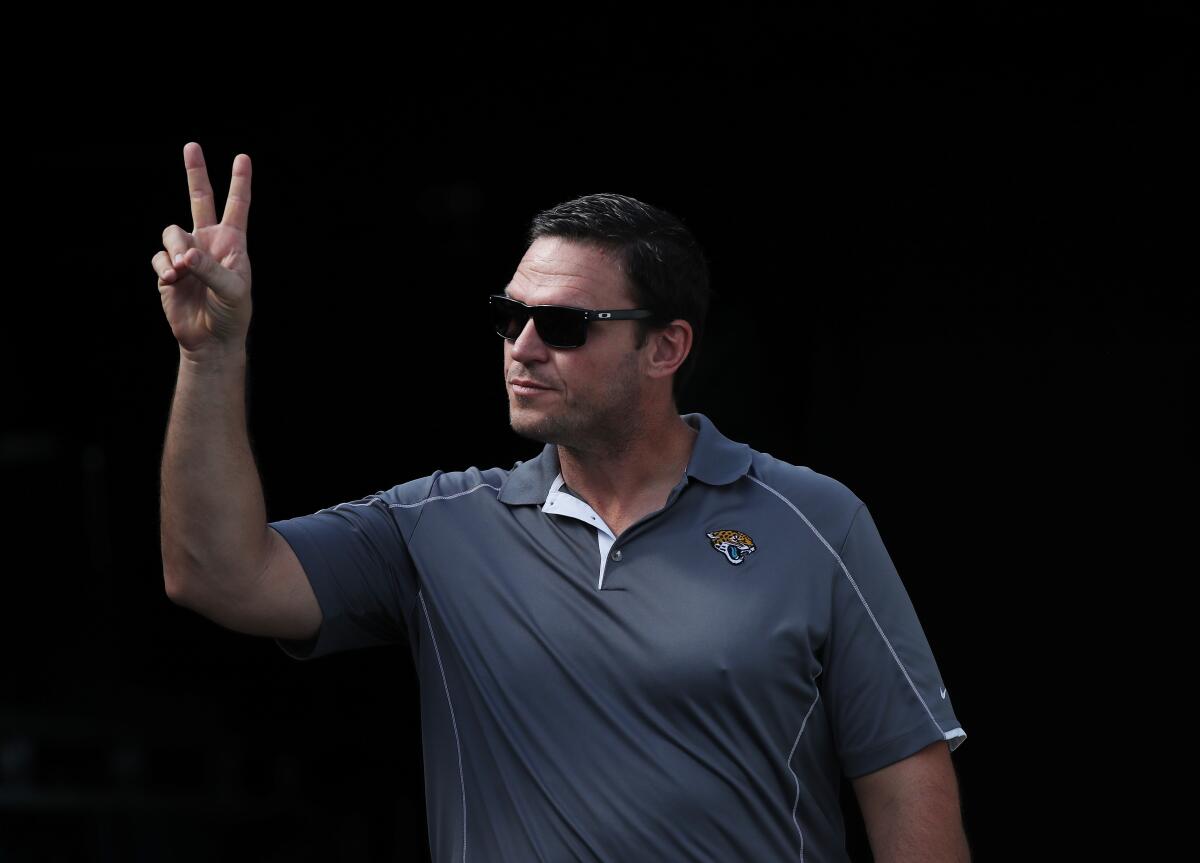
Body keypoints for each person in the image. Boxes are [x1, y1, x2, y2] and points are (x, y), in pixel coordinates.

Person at [156, 141, 971, 862]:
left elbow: (904, 781)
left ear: (666, 347)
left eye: (564, 324)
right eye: (509, 317)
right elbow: (214, 574)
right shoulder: (436, 527)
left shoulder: (815, 519)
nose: (523, 346)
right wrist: (213, 353)